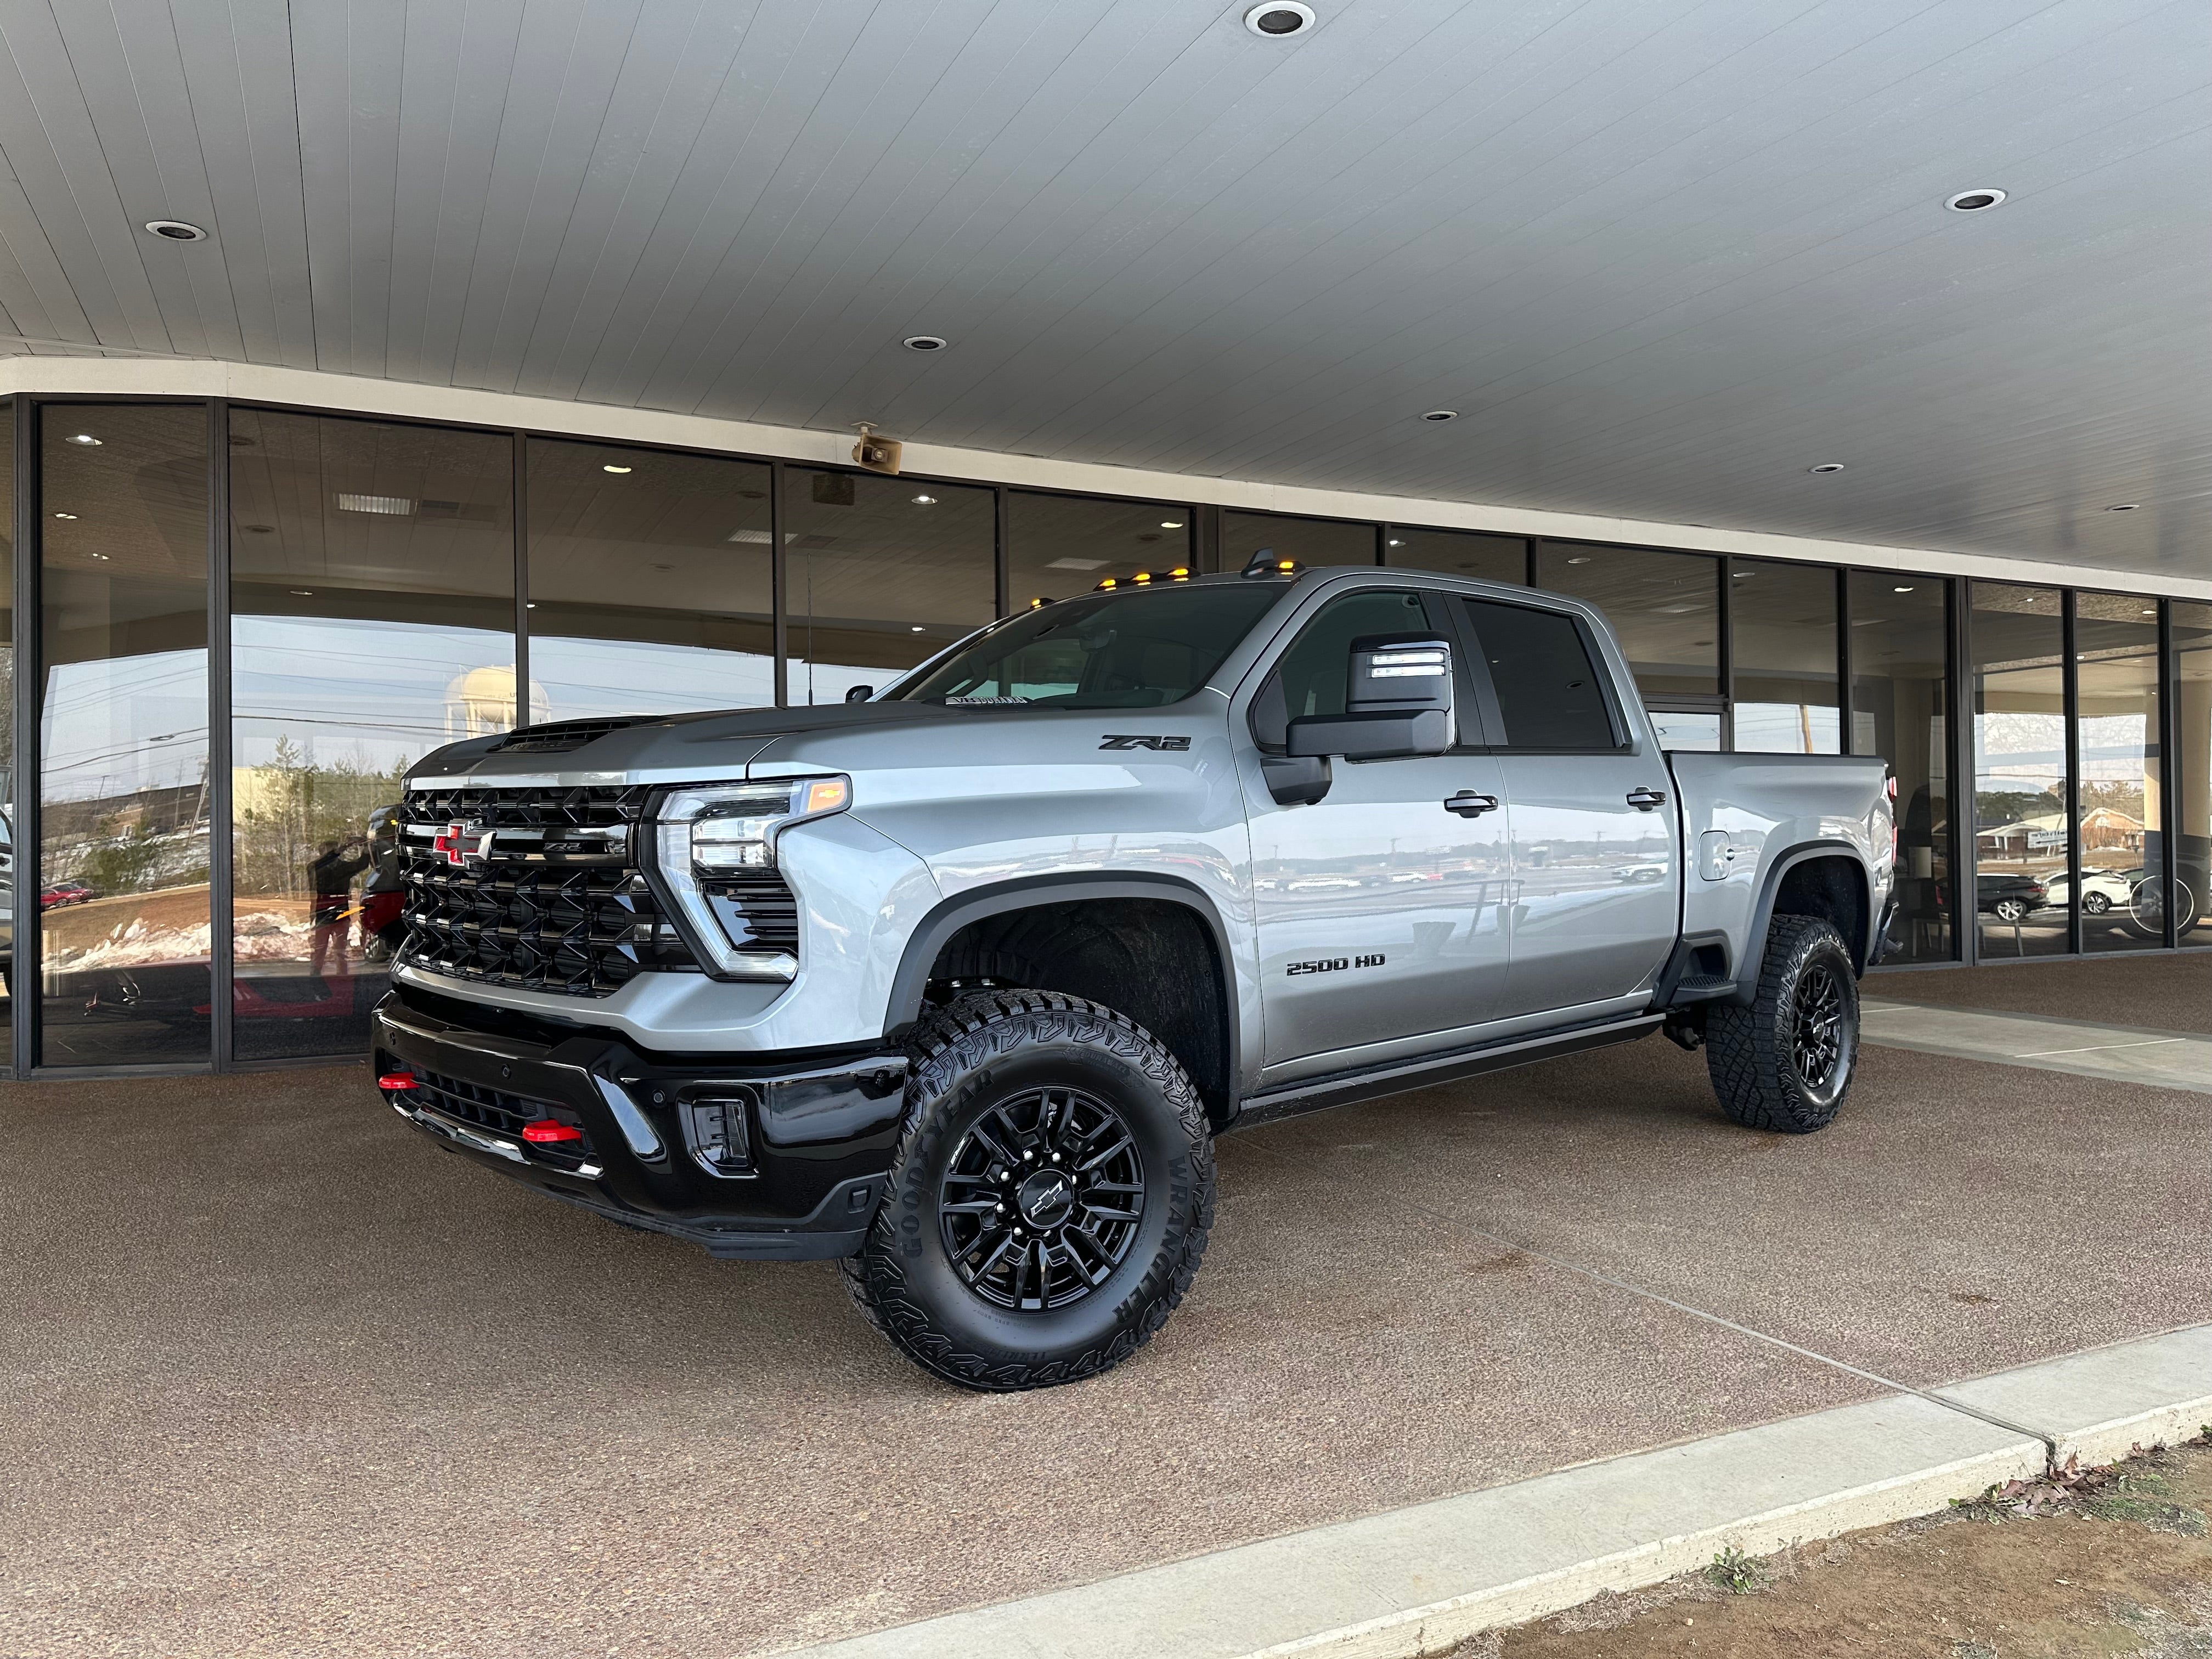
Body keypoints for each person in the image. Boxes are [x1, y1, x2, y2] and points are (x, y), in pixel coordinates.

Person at [308, 836, 371, 984]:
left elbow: (361, 864)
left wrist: (366, 847)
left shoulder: (339, 868)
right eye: (330, 851)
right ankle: (317, 976)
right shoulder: (317, 868)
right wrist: (346, 848)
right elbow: (358, 864)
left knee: (338, 951)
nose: (332, 854)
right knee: (321, 950)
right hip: (326, 914)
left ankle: (340, 977)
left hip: (336, 914)